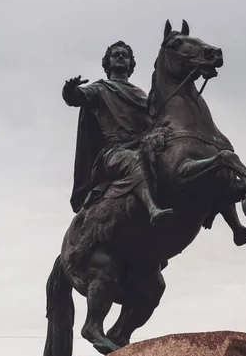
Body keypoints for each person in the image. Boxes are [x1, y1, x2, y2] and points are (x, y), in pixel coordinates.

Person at [63, 40, 173, 225]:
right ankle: (153, 209)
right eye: (116, 55)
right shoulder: (100, 89)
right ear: (108, 63)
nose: (121, 57)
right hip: (114, 152)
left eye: (125, 55)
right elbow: (77, 97)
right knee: (135, 161)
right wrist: (70, 90)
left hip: (141, 145)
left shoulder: (142, 95)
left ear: (131, 63)